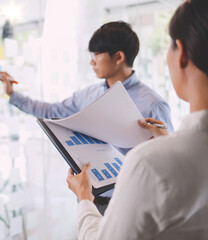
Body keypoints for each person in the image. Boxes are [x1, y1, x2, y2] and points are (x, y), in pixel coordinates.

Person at [0, 21, 174, 212]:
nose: (92, 61)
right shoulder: (88, 95)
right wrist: (13, 95)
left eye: (97, 54)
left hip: (132, 205)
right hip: (89, 201)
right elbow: (51, 111)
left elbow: (170, 162)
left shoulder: (153, 105)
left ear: (119, 56)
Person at [66, 0, 208, 239]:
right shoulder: (90, 92)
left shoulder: (148, 162)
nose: (93, 61)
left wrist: (84, 198)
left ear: (181, 53)